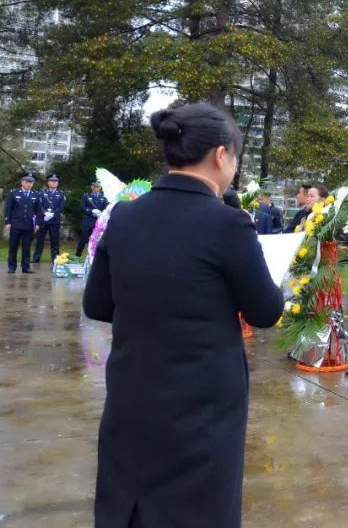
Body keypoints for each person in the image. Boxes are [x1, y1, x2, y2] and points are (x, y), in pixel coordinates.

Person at [82, 102, 283, 527]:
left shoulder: (124, 216)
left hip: (132, 396)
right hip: (200, 408)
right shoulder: (228, 225)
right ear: (220, 155)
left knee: (128, 506)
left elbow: (96, 304)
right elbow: (266, 310)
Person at [5, 173, 40, 273]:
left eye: (31, 182)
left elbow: (38, 211)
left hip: (29, 226)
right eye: (27, 182)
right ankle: (12, 267)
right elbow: (9, 209)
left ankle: (26, 267)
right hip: (16, 224)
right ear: (22, 182)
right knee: (13, 247)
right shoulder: (14, 193)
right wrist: (8, 222)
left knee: (27, 247)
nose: (29, 184)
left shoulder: (35, 195)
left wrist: (37, 224)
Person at [33, 173, 65, 263]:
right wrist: (45, 213)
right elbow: (39, 205)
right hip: (43, 220)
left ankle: (55, 259)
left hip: (54, 220)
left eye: (56, 181)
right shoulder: (42, 193)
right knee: (40, 240)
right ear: (48, 182)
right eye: (52, 181)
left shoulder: (61, 194)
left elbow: (61, 206)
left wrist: (53, 213)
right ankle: (36, 258)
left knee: (55, 240)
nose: (54, 183)